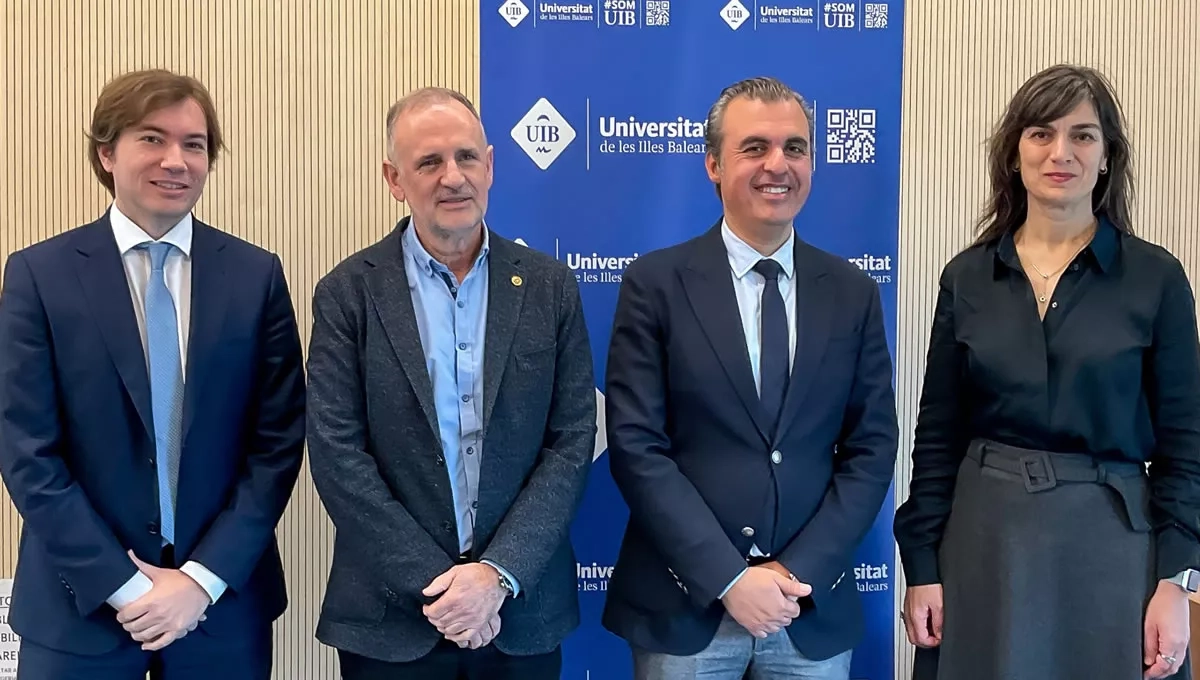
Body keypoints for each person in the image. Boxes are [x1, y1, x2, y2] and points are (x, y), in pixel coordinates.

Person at [894, 64, 1200, 680]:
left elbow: (1186, 444)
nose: (1061, 152)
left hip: (1113, 547)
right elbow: (938, 437)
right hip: (985, 542)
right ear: (1015, 152)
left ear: (1107, 157)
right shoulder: (968, 277)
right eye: (1041, 133)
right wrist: (922, 565)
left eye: (1082, 135)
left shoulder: (1156, 278)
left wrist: (1177, 579)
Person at [0, 69, 307, 680]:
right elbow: (26, 450)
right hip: (78, 608)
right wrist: (124, 586)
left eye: (195, 144)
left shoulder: (256, 276)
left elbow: (277, 444)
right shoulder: (39, 275)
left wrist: (200, 581)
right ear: (106, 153)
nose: (176, 160)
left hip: (220, 611)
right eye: (152, 138)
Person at [600, 76, 899, 680]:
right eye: (755, 147)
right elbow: (636, 446)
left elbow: (872, 448)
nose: (777, 165)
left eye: (795, 148)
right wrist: (728, 578)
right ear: (713, 164)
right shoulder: (655, 285)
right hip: (685, 607)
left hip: (808, 608)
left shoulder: (852, 292)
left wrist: (794, 573)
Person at [305, 86, 596, 680]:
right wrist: (441, 586)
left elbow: (570, 443)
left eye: (466, 157)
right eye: (429, 162)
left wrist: (496, 575)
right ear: (394, 179)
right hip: (391, 621)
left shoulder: (550, 287)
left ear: (490, 164)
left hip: (521, 612)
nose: (453, 177)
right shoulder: (347, 293)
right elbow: (337, 455)